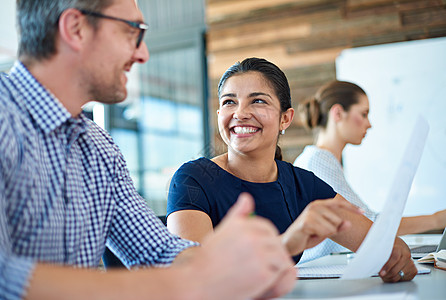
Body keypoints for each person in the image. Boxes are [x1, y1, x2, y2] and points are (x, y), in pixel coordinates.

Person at [0, 1, 298, 299]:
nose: (143, 54)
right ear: (76, 29)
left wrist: (230, 268)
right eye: (132, 32)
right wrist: (192, 279)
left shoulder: (98, 148)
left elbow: (158, 251)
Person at [167, 57, 417, 283]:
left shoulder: (301, 183)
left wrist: (396, 253)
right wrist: (285, 245)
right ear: (220, 114)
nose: (240, 113)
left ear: (285, 119)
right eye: (229, 102)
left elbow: (377, 243)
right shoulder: (192, 179)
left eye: (258, 101)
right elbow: (191, 278)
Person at [294, 80, 446, 262]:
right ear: (338, 113)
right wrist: (437, 219)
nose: (369, 124)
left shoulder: (326, 161)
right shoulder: (317, 161)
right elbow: (369, 223)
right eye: (364, 114)